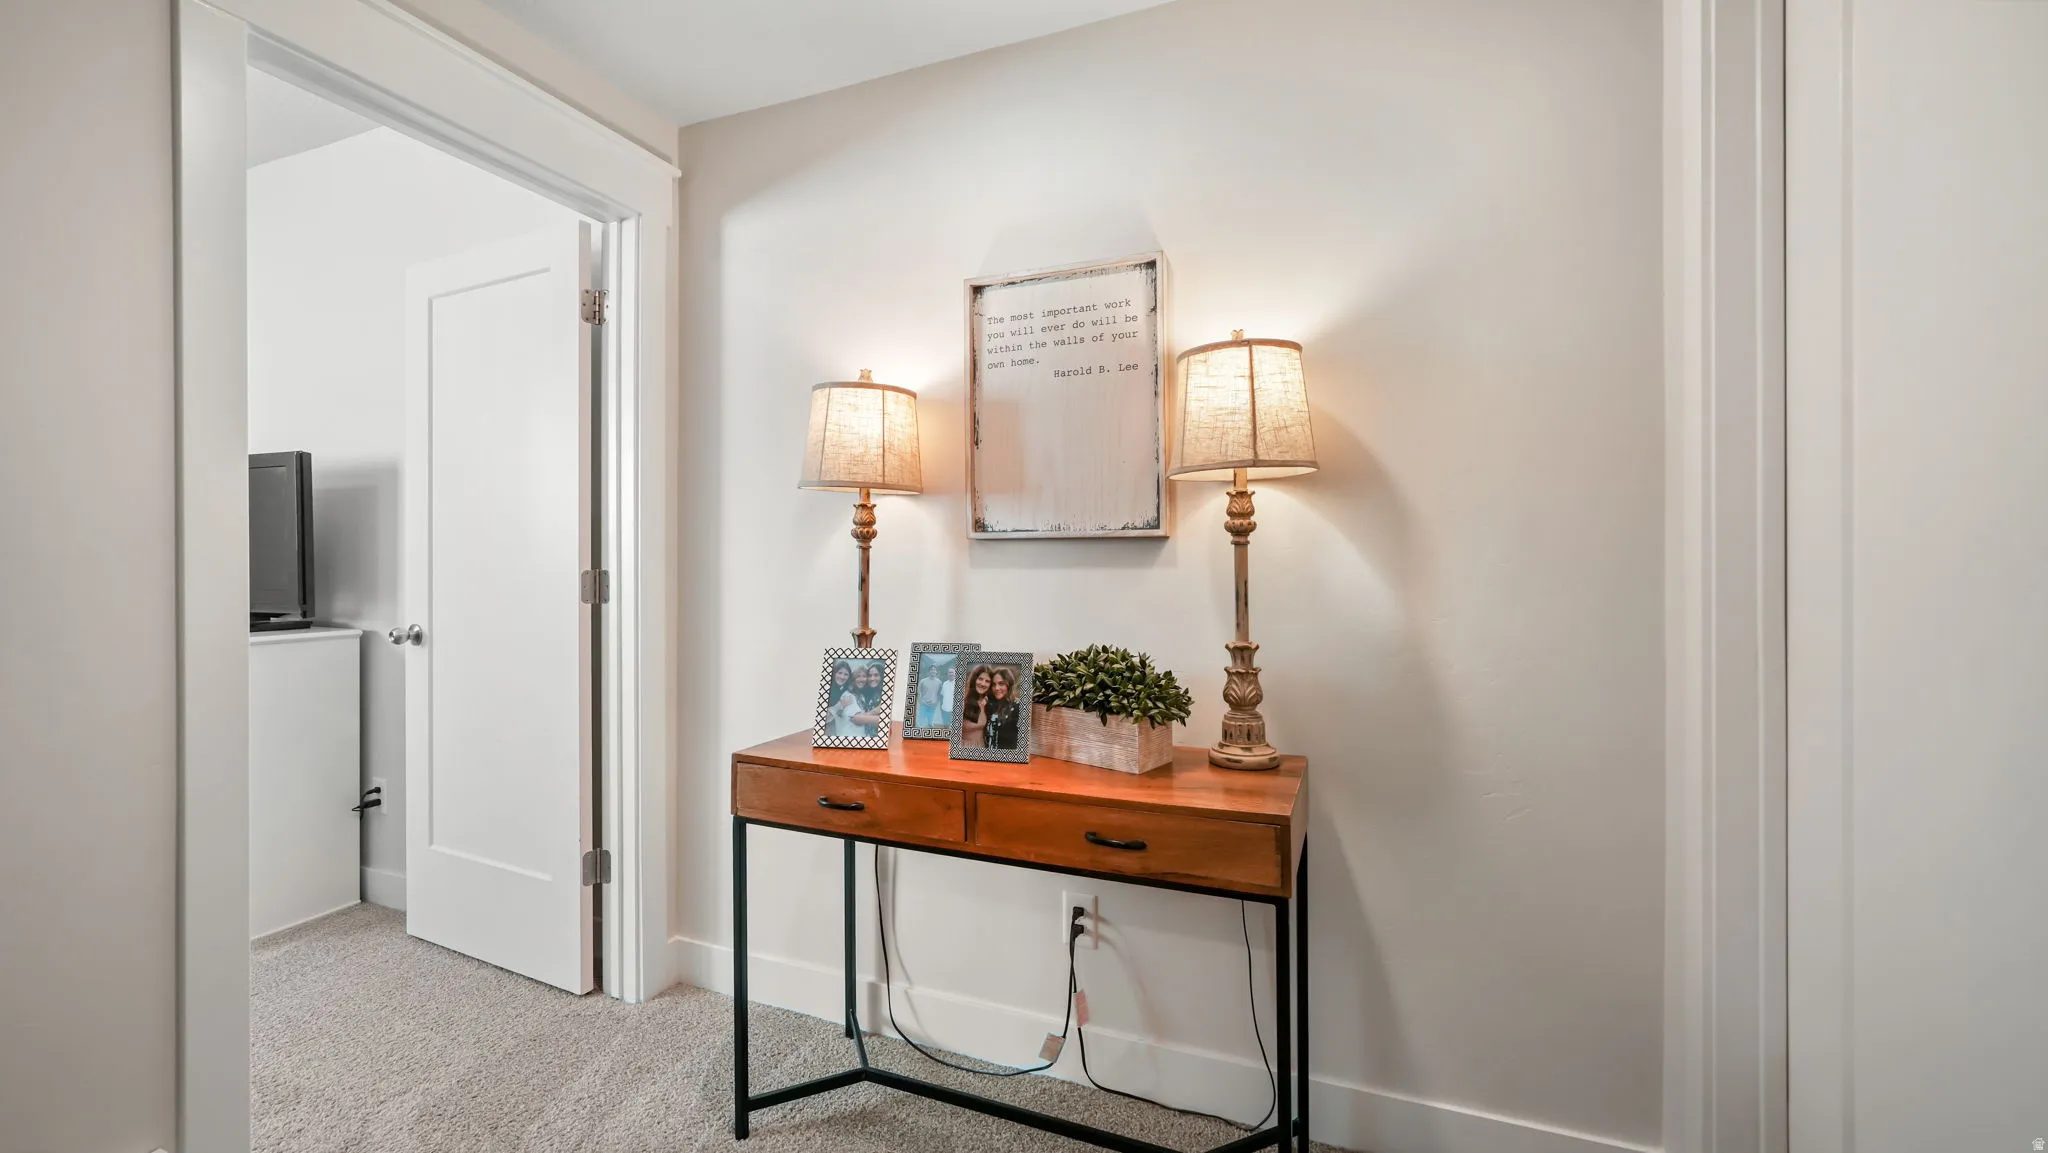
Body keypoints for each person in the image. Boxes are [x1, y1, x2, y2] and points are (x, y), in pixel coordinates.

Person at [982, 667, 1022, 750]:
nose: (996, 688)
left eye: (1001, 683)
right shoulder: (989, 705)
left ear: (1009, 684)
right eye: (993, 684)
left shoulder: (1018, 707)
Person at [824, 661, 864, 738]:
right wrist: (840, 706)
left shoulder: (845, 689)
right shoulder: (827, 689)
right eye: (839, 673)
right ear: (834, 673)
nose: (842, 677)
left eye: (846, 674)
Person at [958, 665, 994, 747]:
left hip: (982, 749)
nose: (983, 683)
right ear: (974, 679)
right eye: (980, 679)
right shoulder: (962, 702)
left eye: (987, 681)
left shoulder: (988, 703)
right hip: (964, 749)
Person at [916, 657, 946, 729]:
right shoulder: (923, 681)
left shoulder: (939, 682)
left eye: (934, 670)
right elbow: (918, 692)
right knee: (920, 722)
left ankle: (929, 735)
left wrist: (936, 702)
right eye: (931, 670)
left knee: (931, 723)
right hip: (923, 704)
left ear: (936, 672)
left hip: (933, 705)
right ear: (928, 671)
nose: (933, 671)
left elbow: (940, 694)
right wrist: (921, 701)